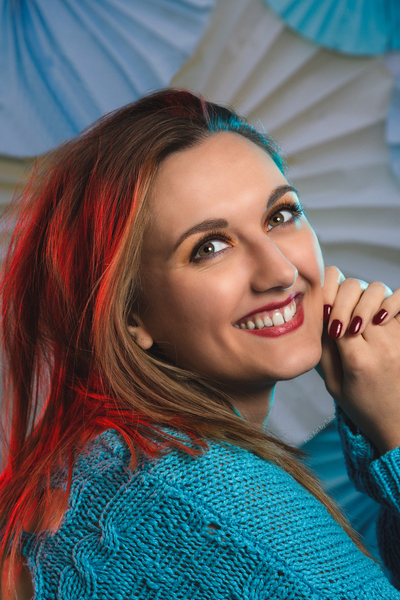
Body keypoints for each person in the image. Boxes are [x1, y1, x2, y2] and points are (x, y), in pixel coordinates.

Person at [0, 89, 399, 599]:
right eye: (209, 247)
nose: (280, 271)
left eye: (280, 216)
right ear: (130, 315)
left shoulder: (108, 468)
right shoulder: (207, 497)